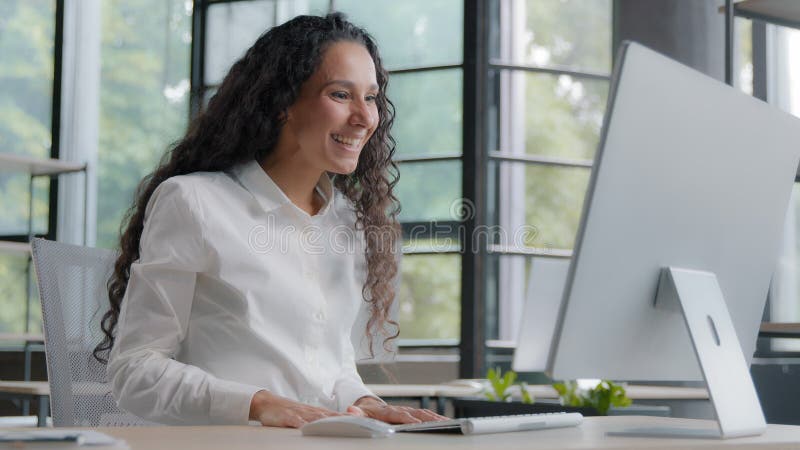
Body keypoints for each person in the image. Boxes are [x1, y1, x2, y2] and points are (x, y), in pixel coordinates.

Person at [93, 13, 446, 428]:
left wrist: (362, 400)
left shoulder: (347, 222)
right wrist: (255, 403)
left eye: (371, 98)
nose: (366, 117)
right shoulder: (195, 202)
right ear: (282, 103)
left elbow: (329, 363)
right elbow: (134, 371)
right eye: (340, 95)